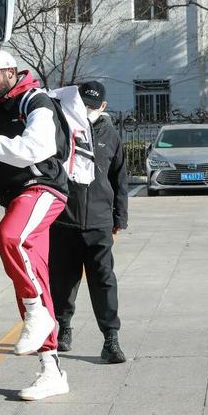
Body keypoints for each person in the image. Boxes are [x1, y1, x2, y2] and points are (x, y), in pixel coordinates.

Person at [0, 50, 70, 400]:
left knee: (8, 237)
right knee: (33, 279)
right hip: (17, 196)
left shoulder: (36, 100)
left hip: (42, 188)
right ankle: (52, 371)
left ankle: (37, 314)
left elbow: (35, 148)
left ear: (10, 72)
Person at [49, 81, 128, 364]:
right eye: (83, 105)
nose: (87, 110)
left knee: (104, 280)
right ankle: (63, 328)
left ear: (103, 107)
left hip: (99, 221)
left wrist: (119, 218)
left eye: (92, 107)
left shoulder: (111, 135)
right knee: (63, 279)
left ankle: (111, 339)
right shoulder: (62, 127)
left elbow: (119, 178)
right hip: (64, 220)